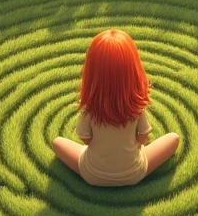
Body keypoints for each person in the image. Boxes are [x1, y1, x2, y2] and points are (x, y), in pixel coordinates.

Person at [52, 28, 180, 186]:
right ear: (132, 71)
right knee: (173, 139)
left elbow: (86, 140)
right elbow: (143, 137)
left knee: (57, 143)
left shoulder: (89, 110)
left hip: (92, 174)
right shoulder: (136, 108)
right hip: (134, 173)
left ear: (92, 73)